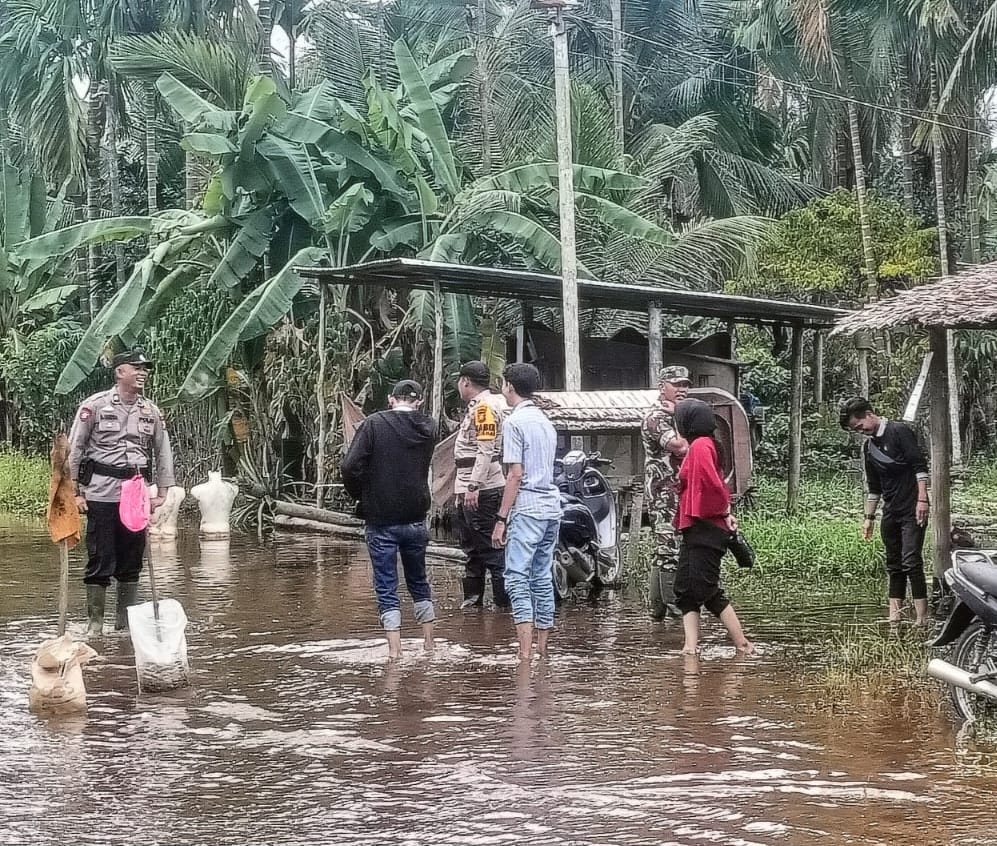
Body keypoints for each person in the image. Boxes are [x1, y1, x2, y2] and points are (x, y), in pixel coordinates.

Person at [68, 347, 175, 636]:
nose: (142, 373)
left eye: (145, 370)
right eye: (136, 368)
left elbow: (163, 451)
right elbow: (75, 449)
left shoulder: (150, 411)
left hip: (136, 494)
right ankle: (94, 625)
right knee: (101, 556)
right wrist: (75, 492)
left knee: (132, 558)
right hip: (101, 492)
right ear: (119, 372)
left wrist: (162, 491)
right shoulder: (95, 406)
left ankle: (124, 625)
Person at [342, 380, 437, 659]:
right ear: (419, 401)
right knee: (419, 580)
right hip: (416, 516)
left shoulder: (373, 424)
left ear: (390, 399)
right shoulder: (428, 428)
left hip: (381, 518)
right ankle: (429, 645)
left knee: (386, 584)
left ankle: (395, 653)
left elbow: (349, 466)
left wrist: (361, 495)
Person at [839, 396, 931, 625]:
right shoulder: (868, 447)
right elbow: (874, 487)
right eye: (855, 429)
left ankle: (922, 618)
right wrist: (868, 518)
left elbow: (919, 466)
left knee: (911, 560)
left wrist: (923, 499)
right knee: (894, 564)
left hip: (912, 507)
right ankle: (894, 617)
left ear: (869, 414)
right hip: (891, 511)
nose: (860, 430)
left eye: (859, 425)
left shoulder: (900, 432)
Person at [490, 363, 560, 662]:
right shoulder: (545, 421)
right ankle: (542, 649)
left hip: (528, 507)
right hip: (551, 507)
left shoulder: (514, 423)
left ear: (509, 386)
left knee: (516, 577)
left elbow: (515, 474)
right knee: (541, 576)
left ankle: (524, 652)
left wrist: (501, 518)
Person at [673, 398, 753, 655]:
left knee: (705, 588)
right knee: (685, 589)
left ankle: (743, 644)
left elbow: (714, 484)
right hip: (696, 527)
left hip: (706, 527)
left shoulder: (700, 447)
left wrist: (724, 510)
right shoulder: (702, 445)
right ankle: (690, 648)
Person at [453, 360, 510, 610]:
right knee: (473, 549)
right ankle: (474, 603)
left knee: (490, 550)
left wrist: (473, 485)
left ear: (466, 382)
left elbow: (485, 451)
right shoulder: (490, 403)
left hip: (481, 488)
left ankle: (502, 609)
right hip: (472, 485)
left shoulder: (485, 408)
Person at [641, 365, 691, 620]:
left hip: (676, 491)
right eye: (677, 384)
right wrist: (684, 417)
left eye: (685, 385)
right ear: (662, 387)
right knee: (669, 548)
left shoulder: (673, 415)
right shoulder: (656, 417)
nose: (682, 389)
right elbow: (680, 447)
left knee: (663, 550)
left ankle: (657, 612)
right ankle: (676, 613)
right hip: (664, 494)